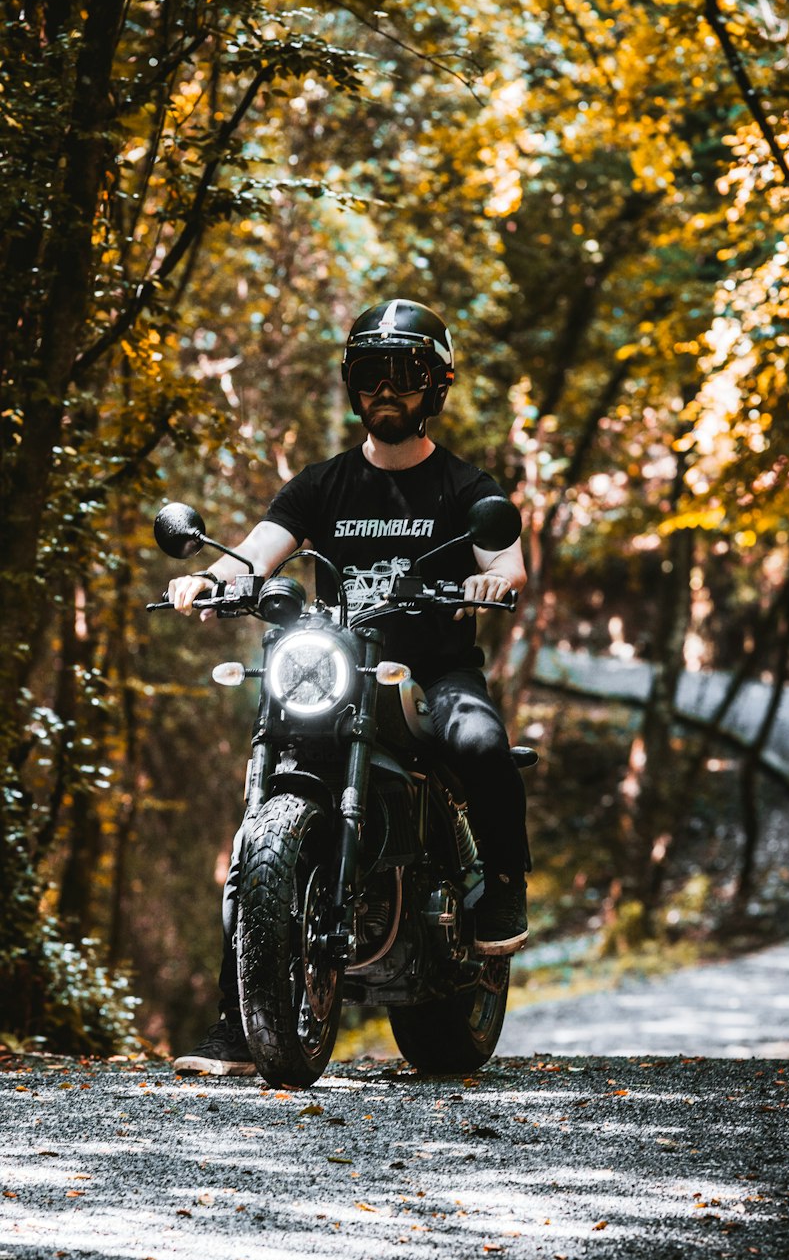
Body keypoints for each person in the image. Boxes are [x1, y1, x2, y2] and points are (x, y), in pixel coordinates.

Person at [171, 298, 530, 1075]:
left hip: (432, 670)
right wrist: (210, 578)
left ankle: (501, 887)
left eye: (403, 375)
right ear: (351, 386)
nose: (385, 391)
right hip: (331, 669)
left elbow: (506, 562)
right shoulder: (322, 486)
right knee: (259, 811)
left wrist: (492, 585)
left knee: (480, 739)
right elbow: (254, 553)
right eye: (371, 374)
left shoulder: (466, 486)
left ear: (435, 385)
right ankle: (242, 1023)